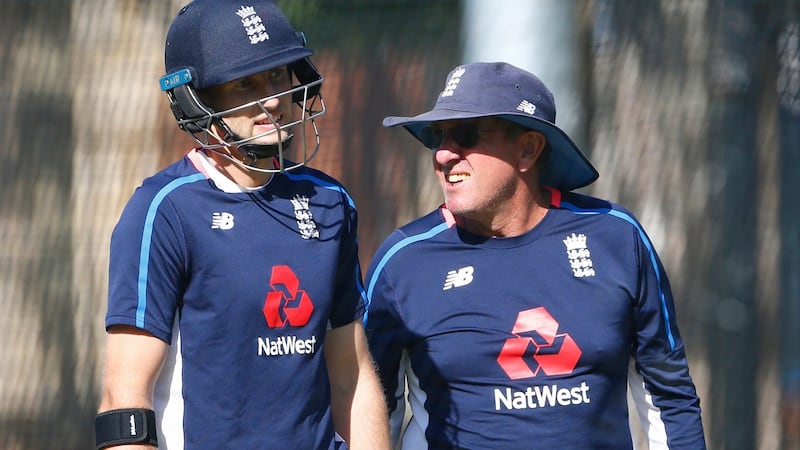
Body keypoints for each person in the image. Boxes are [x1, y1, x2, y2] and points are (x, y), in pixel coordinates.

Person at [364, 61, 706, 449]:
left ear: (528, 149)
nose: (443, 155)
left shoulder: (617, 238)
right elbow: (369, 410)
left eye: (466, 134)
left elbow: (668, 398)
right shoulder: (403, 262)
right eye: (437, 137)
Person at [95, 1, 390, 449]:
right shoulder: (163, 211)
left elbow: (352, 376)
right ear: (197, 101)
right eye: (244, 84)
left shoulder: (330, 201)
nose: (271, 99)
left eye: (277, 75)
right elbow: (124, 397)